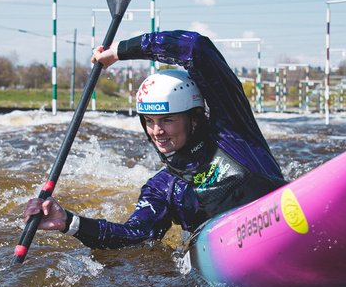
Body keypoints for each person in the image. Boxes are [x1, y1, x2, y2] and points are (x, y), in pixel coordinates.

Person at [22, 30, 286, 249]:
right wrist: (69, 222)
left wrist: (120, 51)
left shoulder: (233, 132)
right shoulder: (163, 187)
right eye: (149, 121)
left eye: (168, 120)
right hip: (232, 255)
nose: (157, 131)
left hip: (286, 225)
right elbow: (135, 236)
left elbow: (196, 48)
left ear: (194, 119)